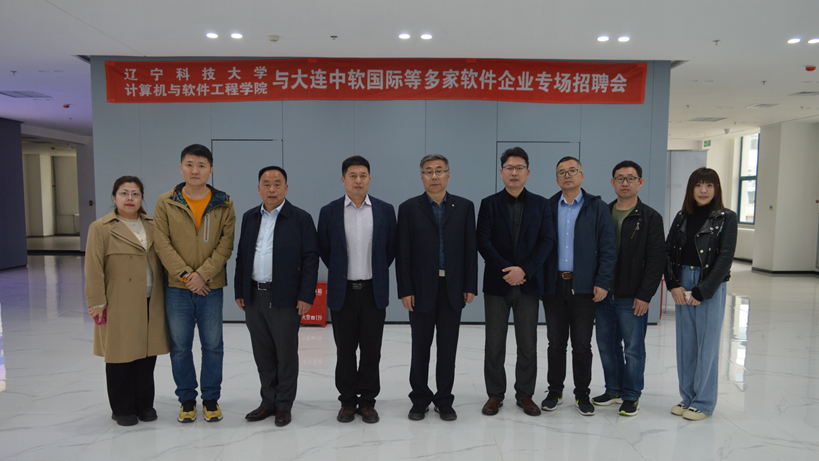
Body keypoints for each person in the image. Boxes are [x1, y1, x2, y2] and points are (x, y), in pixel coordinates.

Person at [153, 144, 236, 423]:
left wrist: (203, 275)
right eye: (189, 164)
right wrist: (188, 276)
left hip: (211, 286)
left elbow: (226, 245)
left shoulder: (224, 202)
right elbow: (162, 244)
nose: (195, 170)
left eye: (201, 165)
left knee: (213, 345)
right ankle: (187, 399)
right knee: (180, 347)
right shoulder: (166, 201)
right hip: (178, 287)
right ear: (181, 168)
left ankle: (211, 399)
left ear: (211, 170)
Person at [234, 166, 319, 427]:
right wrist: (240, 290)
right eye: (266, 184)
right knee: (262, 353)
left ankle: (283, 405)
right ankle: (267, 402)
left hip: (285, 296)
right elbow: (242, 256)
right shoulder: (250, 217)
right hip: (254, 295)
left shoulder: (300, 218)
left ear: (286, 188)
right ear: (259, 188)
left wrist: (306, 295)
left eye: (277, 183)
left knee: (285, 353)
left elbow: (310, 259)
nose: (272, 189)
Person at [396, 154, 478, 422]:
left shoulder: (464, 207)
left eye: (439, 171)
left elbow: (470, 249)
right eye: (428, 171)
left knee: (448, 347)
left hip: (452, 288)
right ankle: (419, 399)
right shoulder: (409, 208)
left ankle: (444, 399)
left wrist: (470, 285)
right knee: (420, 347)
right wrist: (405, 289)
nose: (434, 176)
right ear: (421, 177)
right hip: (420, 289)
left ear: (448, 175)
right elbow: (403, 253)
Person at [85, 176, 170, 426]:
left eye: (135, 193)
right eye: (124, 193)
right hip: (118, 301)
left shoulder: (154, 225)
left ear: (142, 198)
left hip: (152, 299)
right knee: (120, 355)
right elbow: (93, 267)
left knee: (146, 354)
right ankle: (122, 408)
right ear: (114, 197)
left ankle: (144, 404)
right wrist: (96, 301)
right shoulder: (101, 227)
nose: (129, 198)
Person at [317, 156, 396, 424]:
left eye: (363, 175)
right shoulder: (329, 212)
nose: (358, 180)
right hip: (344, 291)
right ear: (343, 180)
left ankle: (368, 401)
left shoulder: (385, 210)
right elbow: (325, 249)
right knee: (345, 350)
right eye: (353, 176)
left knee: (372, 350)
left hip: (374, 291)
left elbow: (390, 249)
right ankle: (348, 401)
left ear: (369, 179)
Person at [477, 147, 554, 417]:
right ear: (501, 172)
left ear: (527, 172)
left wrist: (524, 271)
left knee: (527, 343)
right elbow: (483, 241)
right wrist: (508, 270)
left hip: (528, 285)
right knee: (494, 343)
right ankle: (495, 394)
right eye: (509, 168)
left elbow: (547, 241)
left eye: (519, 168)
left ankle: (525, 395)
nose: (514, 172)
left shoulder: (542, 204)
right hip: (497, 285)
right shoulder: (488, 204)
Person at [542, 156, 616, 416]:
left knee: (582, 345)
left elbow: (608, 248)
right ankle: (554, 391)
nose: (567, 175)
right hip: (554, 286)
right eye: (561, 172)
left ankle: (582, 393)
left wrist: (602, 281)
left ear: (581, 176)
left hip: (585, 287)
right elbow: (540, 247)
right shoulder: (548, 206)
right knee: (555, 343)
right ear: (556, 179)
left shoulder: (597, 207)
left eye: (572, 170)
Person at [591, 161, 665, 416]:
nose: (625, 183)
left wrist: (645, 295)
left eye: (630, 178)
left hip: (632, 296)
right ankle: (613, 390)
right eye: (620, 178)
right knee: (607, 346)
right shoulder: (602, 212)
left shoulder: (651, 217)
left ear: (640, 182)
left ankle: (631, 395)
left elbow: (656, 261)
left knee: (633, 348)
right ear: (612, 182)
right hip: (603, 294)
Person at [665, 167, 737, 421]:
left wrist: (702, 290)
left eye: (709, 185)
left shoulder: (727, 218)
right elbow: (667, 251)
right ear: (691, 189)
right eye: (698, 185)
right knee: (686, 344)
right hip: (683, 281)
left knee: (706, 344)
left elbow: (725, 258)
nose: (703, 190)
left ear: (716, 189)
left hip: (709, 283)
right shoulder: (682, 216)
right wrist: (673, 284)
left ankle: (704, 402)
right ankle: (687, 398)